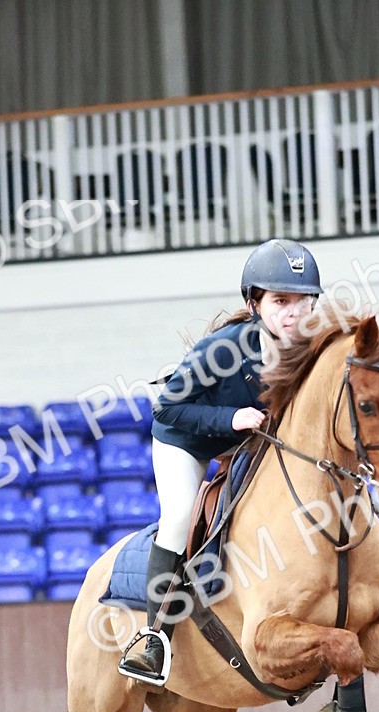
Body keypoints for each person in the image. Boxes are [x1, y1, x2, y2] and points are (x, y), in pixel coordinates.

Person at [119, 238, 323, 683]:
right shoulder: (222, 350)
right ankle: (155, 639)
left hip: (245, 438)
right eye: (280, 301)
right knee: (178, 518)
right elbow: (166, 408)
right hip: (185, 439)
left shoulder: (310, 349)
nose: (293, 312)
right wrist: (232, 418)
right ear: (254, 303)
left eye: (302, 301)